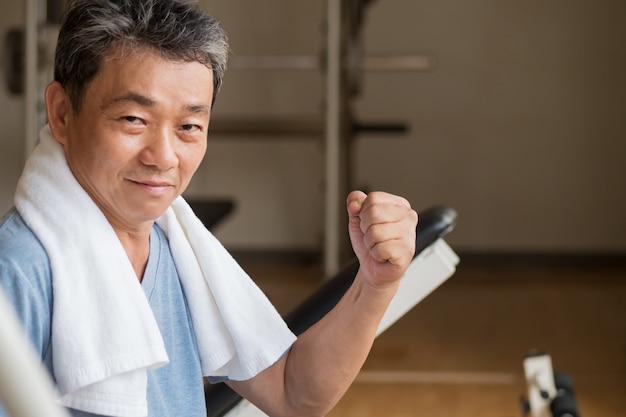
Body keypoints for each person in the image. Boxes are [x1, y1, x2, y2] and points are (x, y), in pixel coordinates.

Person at [0, 0, 418, 416]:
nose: (163, 157)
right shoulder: (20, 269)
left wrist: (376, 282)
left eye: (188, 127)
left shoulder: (175, 245)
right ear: (61, 114)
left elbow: (294, 393)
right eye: (133, 119)